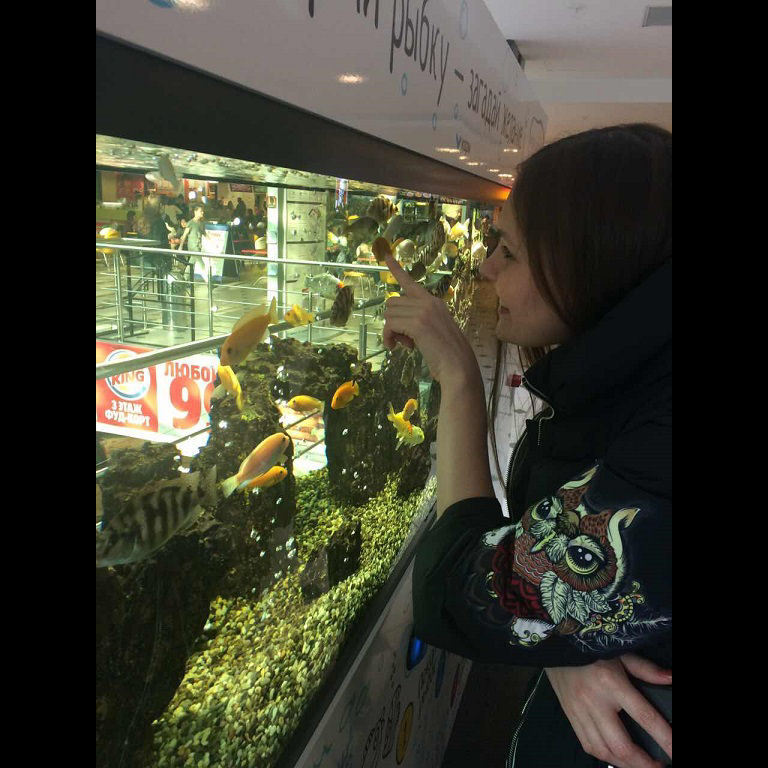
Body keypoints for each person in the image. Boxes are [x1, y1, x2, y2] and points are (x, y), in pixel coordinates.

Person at [381, 124, 672, 768]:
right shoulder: (632, 379)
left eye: (507, 251)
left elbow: (458, 592)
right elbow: (547, 574)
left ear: (589, 261)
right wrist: (565, 643)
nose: (486, 268)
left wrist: (458, 378)